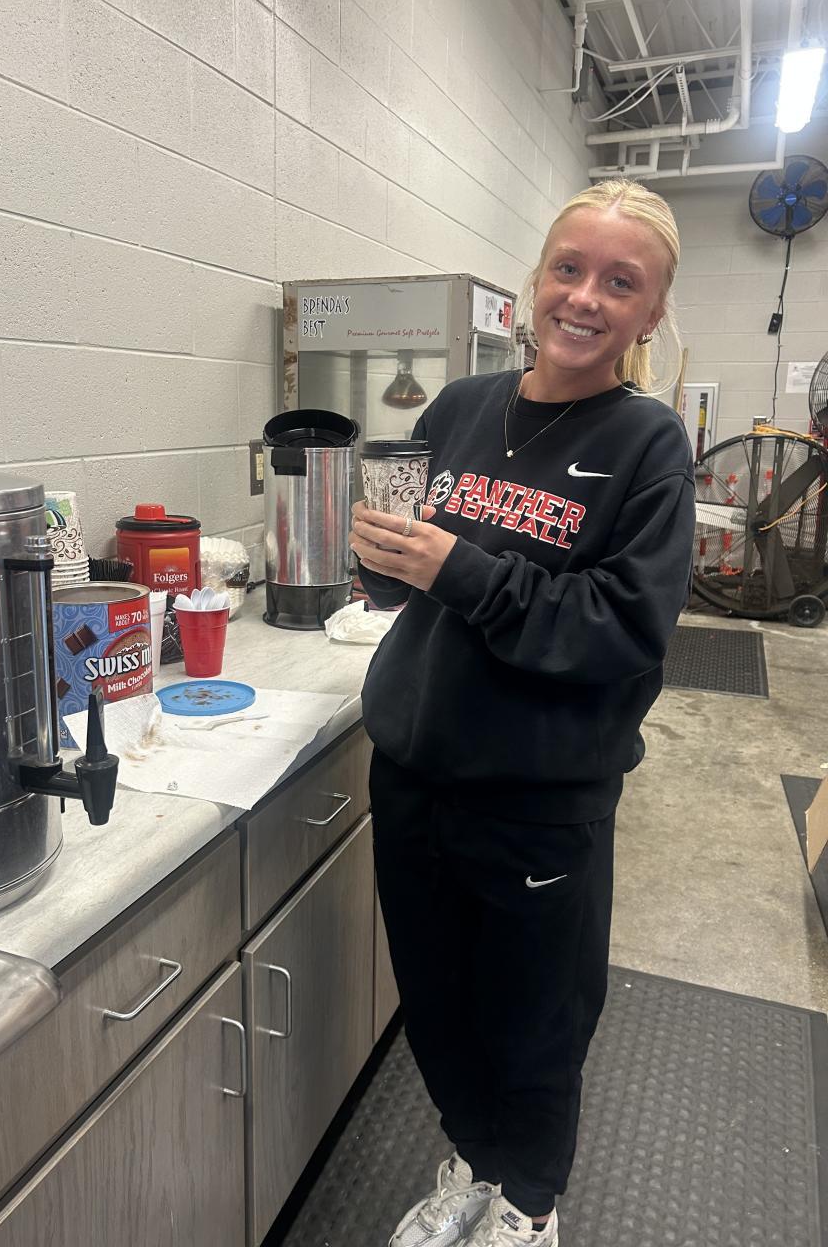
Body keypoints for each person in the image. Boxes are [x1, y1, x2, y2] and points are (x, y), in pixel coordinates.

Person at [350, 179, 696, 1247]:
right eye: (569, 269)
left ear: (650, 313)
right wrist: (381, 563)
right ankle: (475, 1158)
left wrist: (459, 569)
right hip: (415, 771)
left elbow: (621, 630)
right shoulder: (460, 406)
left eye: (620, 283)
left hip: (539, 797)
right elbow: (411, 586)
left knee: (536, 1022)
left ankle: (530, 1205)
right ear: (536, 280)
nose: (585, 297)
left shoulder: (647, 445)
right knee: (437, 1001)